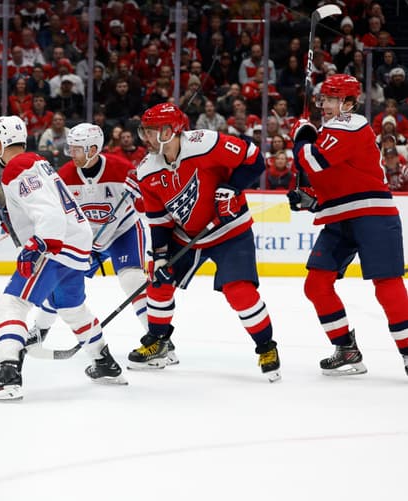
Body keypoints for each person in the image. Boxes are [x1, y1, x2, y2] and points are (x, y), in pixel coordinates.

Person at [0, 116, 125, 401]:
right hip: (74, 245)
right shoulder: (36, 163)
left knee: (11, 303)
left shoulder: (18, 167)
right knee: (72, 308)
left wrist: (40, 244)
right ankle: (104, 362)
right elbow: (28, 216)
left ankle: (8, 373)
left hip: (56, 245)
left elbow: (48, 213)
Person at [128, 103, 280, 383]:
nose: (145, 137)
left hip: (229, 229)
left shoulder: (205, 143)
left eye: (151, 131)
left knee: (239, 291)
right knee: (159, 281)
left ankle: (267, 347)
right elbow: (159, 220)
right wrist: (160, 257)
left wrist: (232, 188)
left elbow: (253, 159)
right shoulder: (147, 170)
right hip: (186, 235)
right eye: (144, 131)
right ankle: (158, 343)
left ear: (170, 131)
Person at [288, 74, 408, 376]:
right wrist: (311, 200)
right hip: (340, 218)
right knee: (316, 285)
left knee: (387, 285)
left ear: (349, 103)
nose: (324, 105)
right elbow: (335, 178)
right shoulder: (329, 131)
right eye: (323, 99)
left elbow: (313, 160)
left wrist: (301, 137)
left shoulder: (350, 124)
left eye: (332, 99)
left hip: (373, 214)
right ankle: (346, 350)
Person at [30, 123, 180, 364]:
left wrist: (141, 191)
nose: (71, 153)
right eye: (71, 148)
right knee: (59, 279)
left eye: (77, 149)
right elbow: (57, 215)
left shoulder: (122, 169)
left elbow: (149, 204)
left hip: (123, 231)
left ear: (92, 149)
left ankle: (160, 341)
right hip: (86, 238)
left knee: (132, 280)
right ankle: (38, 331)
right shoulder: (65, 176)